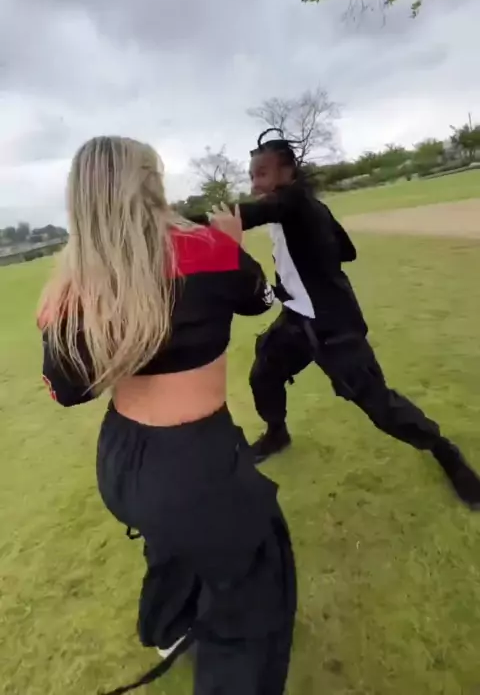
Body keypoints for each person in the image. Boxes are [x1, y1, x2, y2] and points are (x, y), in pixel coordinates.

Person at [37, 136, 297, 695]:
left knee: (170, 544)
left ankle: (167, 627)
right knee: (253, 591)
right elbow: (261, 301)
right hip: (195, 462)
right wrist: (231, 244)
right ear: (149, 183)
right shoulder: (205, 249)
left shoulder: (78, 287)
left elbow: (66, 393)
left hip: (122, 462)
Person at [204, 128, 480, 510]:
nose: (255, 184)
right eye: (252, 175)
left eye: (262, 174)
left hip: (334, 326)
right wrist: (309, 263)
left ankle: (445, 452)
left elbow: (248, 215)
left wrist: (168, 222)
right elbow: (347, 250)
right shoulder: (306, 209)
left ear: (288, 172)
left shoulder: (292, 203)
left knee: (381, 406)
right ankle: (277, 433)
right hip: (297, 319)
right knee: (264, 373)